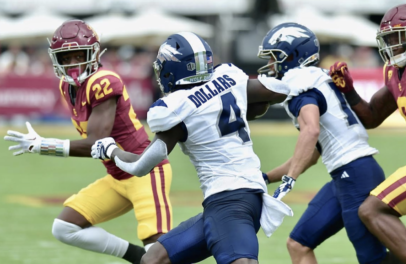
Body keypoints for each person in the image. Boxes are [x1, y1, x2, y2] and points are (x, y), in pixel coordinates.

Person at [91, 31, 294, 264]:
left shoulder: (177, 108)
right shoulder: (228, 78)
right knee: (153, 260)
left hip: (229, 200)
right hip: (237, 198)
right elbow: (277, 92)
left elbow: (139, 166)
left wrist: (110, 149)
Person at [258, 22, 406, 264]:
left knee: (374, 260)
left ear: (292, 56)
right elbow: (312, 153)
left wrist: (290, 180)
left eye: (274, 57)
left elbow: (311, 131)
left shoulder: (300, 85)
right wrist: (266, 177)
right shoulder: (317, 78)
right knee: (298, 243)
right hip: (343, 175)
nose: (271, 65)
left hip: (355, 175)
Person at [3, 20, 172, 264]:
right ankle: (135, 257)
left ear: (93, 53)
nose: (73, 64)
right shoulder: (66, 87)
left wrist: (42, 145)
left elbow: (97, 142)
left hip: (144, 171)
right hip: (117, 176)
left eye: (78, 55)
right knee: (64, 227)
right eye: (66, 58)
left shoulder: (103, 81)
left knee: (157, 255)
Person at [329, 3, 406, 264]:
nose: (392, 45)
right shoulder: (394, 71)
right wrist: (349, 92)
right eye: (388, 39)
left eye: (398, 38)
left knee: (373, 209)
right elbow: (372, 117)